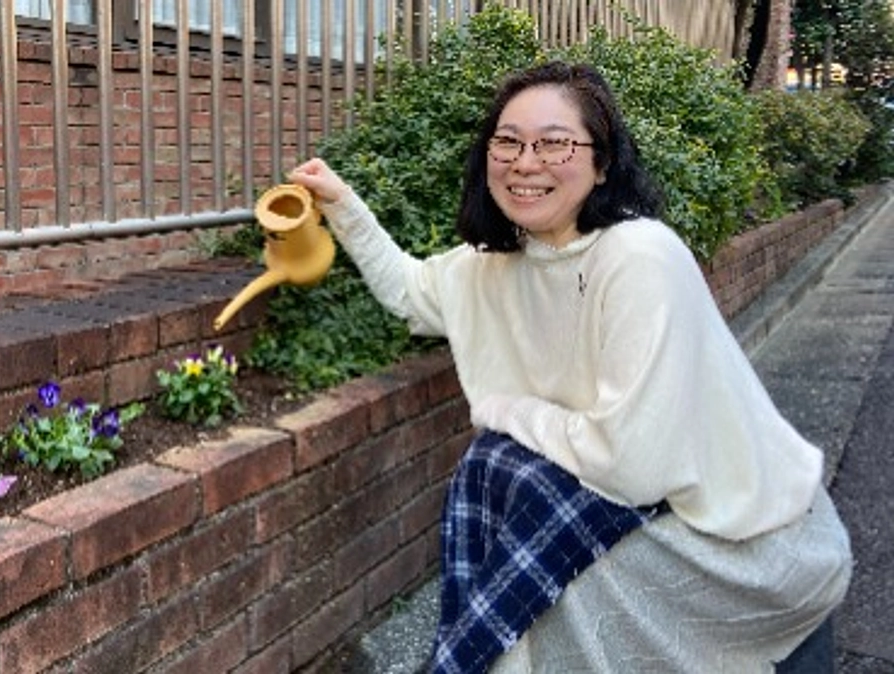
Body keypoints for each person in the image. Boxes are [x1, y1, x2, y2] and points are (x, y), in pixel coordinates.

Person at [288, 61, 852, 673]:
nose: (525, 163)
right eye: (507, 142)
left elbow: (632, 465)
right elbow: (409, 291)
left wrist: (510, 411)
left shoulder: (638, 256)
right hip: (639, 534)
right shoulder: (492, 265)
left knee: (505, 463)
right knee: (502, 473)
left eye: (554, 142)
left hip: (739, 552)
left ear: (602, 161)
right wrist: (340, 203)